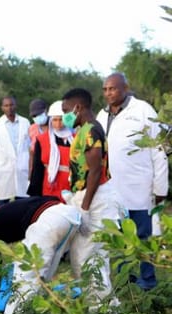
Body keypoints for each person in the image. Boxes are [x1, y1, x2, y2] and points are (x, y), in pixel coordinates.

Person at [96, 72, 169, 290]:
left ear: (125, 88)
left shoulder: (143, 111)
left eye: (114, 88)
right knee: (118, 238)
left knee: (143, 237)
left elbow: (160, 150)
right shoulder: (101, 115)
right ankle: (124, 279)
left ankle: (148, 280)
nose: (109, 93)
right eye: (106, 89)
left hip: (140, 188)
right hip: (113, 191)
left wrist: (160, 187)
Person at [0, 193, 80, 314]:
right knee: (42, 279)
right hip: (69, 215)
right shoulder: (10, 209)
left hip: (48, 221)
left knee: (24, 284)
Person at [62, 88, 123, 302]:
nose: (64, 116)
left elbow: (95, 170)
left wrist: (85, 207)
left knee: (88, 258)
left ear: (78, 108)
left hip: (94, 199)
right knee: (89, 257)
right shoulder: (86, 129)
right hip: (90, 195)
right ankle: (101, 307)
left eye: (66, 110)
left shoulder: (89, 130)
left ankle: (103, 309)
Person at [28, 100, 75, 199]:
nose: (58, 124)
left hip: (71, 190)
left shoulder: (76, 139)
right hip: (50, 189)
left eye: (61, 119)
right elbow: (37, 170)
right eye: (55, 120)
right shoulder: (42, 140)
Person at [0, 96, 31, 203]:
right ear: (2, 108)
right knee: (4, 200)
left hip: (22, 166)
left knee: (23, 199)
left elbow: (29, 144)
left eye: (11, 105)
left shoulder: (25, 122)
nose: (9, 108)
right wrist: (3, 159)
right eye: (6, 106)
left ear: (15, 106)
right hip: (4, 167)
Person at [27, 98, 49, 177]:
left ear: (46, 111)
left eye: (39, 114)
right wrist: (30, 171)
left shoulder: (56, 125)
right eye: (34, 116)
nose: (37, 117)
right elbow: (31, 153)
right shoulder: (32, 129)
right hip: (38, 169)